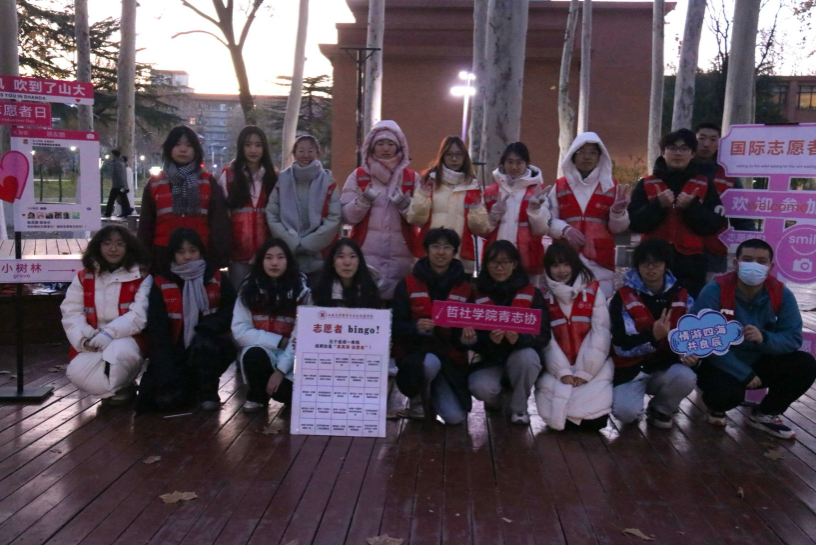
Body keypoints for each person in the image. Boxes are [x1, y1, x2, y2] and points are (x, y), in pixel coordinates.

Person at [690, 239, 816, 439]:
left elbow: (792, 338)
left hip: (760, 359)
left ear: (770, 267)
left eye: (761, 261)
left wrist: (765, 338)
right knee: (725, 395)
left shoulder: (781, 293)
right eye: (747, 259)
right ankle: (716, 406)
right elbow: (701, 338)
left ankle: (766, 414)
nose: (754, 265)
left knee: (805, 364)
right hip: (721, 363)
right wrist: (742, 373)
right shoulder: (715, 290)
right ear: (736, 263)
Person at [138, 228, 237, 412]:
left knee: (204, 345)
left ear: (201, 252)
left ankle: (208, 392)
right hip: (174, 348)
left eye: (193, 250)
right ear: (173, 254)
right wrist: (166, 372)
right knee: (154, 400)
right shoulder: (161, 282)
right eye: (181, 252)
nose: (187, 256)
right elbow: (158, 330)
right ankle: (186, 386)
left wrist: (206, 328)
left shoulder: (217, 278)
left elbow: (231, 311)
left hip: (210, 344)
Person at [627, 128, 726, 298]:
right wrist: (657, 205)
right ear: (663, 152)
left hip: (691, 263)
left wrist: (692, 207)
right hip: (652, 261)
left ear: (692, 153)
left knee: (688, 309)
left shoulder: (704, 184)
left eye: (684, 148)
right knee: (649, 307)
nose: (678, 153)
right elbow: (634, 223)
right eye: (672, 148)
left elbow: (713, 225)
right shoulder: (646, 183)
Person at [609, 239, 697, 429]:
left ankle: (660, 409)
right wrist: (653, 336)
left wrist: (691, 355)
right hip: (630, 371)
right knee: (625, 413)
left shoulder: (682, 295)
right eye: (644, 262)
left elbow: (693, 335)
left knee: (687, 376)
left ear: (666, 264)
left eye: (656, 262)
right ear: (637, 265)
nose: (651, 267)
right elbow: (620, 346)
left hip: (664, 368)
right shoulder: (622, 297)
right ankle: (633, 405)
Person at [60, 226, 151, 403]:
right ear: (98, 246)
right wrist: (85, 338)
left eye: (120, 244)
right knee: (76, 373)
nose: (113, 249)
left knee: (119, 355)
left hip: (128, 337)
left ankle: (122, 386)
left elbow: (139, 315)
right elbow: (71, 312)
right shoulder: (84, 276)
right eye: (107, 243)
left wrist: (109, 334)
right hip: (92, 337)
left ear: (129, 247)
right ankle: (116, 388)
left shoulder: (142, 276)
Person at [392, 228, 473, 424]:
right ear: (426, 250)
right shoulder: (408, 283)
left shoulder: (466, 287)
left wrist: (466, 339)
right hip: (417, 356)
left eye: (447, 247)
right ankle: (418, 399)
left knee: (455, 418)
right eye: (435, 246)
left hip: (450, 360)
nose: (441, 252)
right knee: (429, 363)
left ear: (455, 252)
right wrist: (416, 328)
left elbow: (470, 331)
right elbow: (395, 326)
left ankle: (433, 392)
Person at [465, 240, 550, 424]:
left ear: (514, 264)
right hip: (489, 360)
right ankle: (494, 399)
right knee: (481, 388)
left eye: (505, 262)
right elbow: (469, 339)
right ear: (486, 264)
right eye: (494, 262)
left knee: (528, 357)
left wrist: (519, 339)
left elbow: (543, 335)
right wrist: (488, 341)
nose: (499, 267)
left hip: (519, 357)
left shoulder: (532, 293)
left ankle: (519, 409)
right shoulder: (476, 294)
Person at [534, 242, 613, 431]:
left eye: (566, 264)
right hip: (556, 366)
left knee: (595, 421)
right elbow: (546, 339)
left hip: (592, 364)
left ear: (575, 264)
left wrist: (585, 372)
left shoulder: (593, 290)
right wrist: (562, 372)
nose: (561, 270)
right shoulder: (542, 295)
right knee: (557, 419)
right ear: (548, 268)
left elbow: (601, 332)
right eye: (555, 265)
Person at [341, 120, 421, 301]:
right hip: (364, 252)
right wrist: (363, 201)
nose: (385, 148)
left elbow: (420, 219)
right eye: (380, 143)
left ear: (399, 147)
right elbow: (347, 216)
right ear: (371, 146)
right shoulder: (358, 175)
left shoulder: (411, 178)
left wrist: (405, 205)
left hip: (404, 254)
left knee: (400, 305)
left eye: (390, 143)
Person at [546, 132, 631, 297]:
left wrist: (618, 213)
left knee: (599, 307)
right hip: (565, 263)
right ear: (573, 155)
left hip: (600, 264)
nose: (587, 157)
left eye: (593, 152)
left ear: (600, 157)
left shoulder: (611, 187)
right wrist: (565, 230)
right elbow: (547, 220)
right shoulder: (559, 187)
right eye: (582, 152)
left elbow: (618, 229)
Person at [232, 238, 311, 413]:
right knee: (253, 354)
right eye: (268, 257)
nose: (274, 263)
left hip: (291, 357)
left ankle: (285, 392)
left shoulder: (302, 292)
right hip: (263, 351)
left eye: (280, 257)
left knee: (285, 394)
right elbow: (240, 331)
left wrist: (281, 370)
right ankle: (257, 396)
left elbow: (300, 337)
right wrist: (278, 341)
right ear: (261, 261)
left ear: (288, 261)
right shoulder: (248, 290)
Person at [138, 126, 231, 273]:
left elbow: (219, 222)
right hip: (163, 255)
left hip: (201, 254)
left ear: (196, 150)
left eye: (188, 145)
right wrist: (143, 259)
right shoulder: (155, 182)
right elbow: (146, 224)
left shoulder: (208, 181)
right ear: (169, 148)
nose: (183, 149)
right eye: (177, 144)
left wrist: (219, 256)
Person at [406, 136, 489, 274]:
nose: (454, 159)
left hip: (460, 256)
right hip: (430, 255)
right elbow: (415, 219)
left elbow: (480, 229)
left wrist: (475, 210)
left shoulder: (473, 186)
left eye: (458, 154)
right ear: (442, 156)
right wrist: (424, 196)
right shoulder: (429, 182)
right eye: (449, 154)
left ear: (464, 157)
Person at [469, 142, 549, 283]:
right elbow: (481, 232)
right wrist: (494, 216)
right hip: (495, 262)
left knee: (525, 296)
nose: (514, 167)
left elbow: (541, 230)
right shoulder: (490, 192)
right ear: (503, 163)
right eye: (510, 162)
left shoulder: (538, 192)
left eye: (519, 162)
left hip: (527, 260)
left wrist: (535, 210)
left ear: (527, 164)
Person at [267, 135, 341, 286]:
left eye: (310, 151)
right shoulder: (281, 180)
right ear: (294, 154)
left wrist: (308, 244)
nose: (305, 155)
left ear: (318, 153)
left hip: (321, 258)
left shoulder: (329, 182)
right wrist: (292, 242)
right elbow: (272, 215)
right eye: (301, 151)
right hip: (287, 258)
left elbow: (334, 217)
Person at [218, 126, 278, 291]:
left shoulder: (274, 178)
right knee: (239, 299)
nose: (253, 150)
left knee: (267, 299)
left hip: (268, 256)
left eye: (258, 145)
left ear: (264, 148)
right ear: (241, 147)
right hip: (238, 256)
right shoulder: (229, 177)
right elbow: (221, 218)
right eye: (248, 145)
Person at [694, 122, 755, 281]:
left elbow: (741, 216)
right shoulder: (681, 169)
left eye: (713, 139)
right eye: (702, 138)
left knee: (712, 293)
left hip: (714, 250)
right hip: (681, 249)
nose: (706, 144)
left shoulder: (728, 174)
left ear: (719, 144)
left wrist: (753, 244)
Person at [311, 238, 382, 309]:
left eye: (352, 256)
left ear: (359, 261)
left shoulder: (370, 290)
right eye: (341, 256)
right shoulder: (320, 291)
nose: (347, 263)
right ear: (332, 262)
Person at [103, 150, 133, 218]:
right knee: (124, 199)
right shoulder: (122, 163)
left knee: (111, 200)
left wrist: (122, 185)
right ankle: (127, 211)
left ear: (114, 155)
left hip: (117, 185)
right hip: (121, 185)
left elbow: (120, 175)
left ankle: (108, 212)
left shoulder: (117, 163)